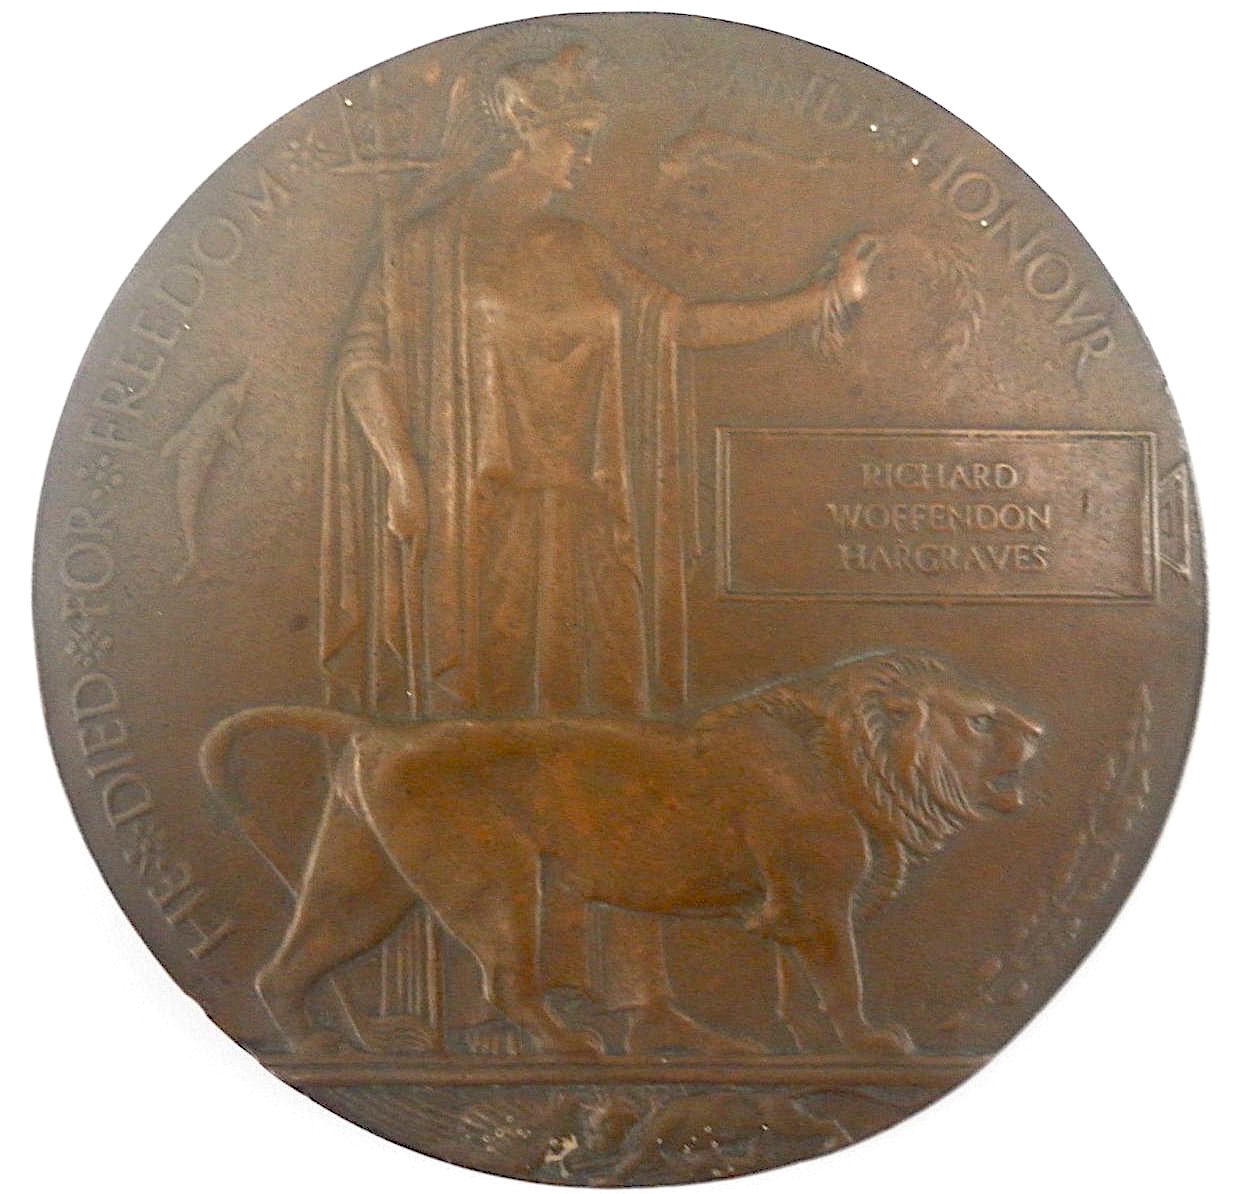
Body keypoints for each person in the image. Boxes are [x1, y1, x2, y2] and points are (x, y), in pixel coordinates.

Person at [318, 42, 878, 1053]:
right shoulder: (428, 247)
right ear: (522, 130)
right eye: (576, 137)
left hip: (590, 535)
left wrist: (823, 298)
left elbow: (681, 326)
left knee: (623, 751)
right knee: (487, 754)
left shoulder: (581, 247)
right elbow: (365, 361)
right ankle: (500, 1001)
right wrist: (403, 474)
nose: (585, 158)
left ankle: (638, 1001)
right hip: (478, 540)